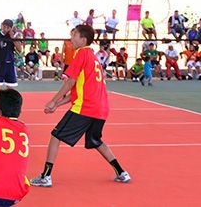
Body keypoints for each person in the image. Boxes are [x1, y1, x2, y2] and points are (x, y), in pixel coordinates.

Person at [30, 24, 130, 187]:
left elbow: (71, 81)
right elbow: (77, 92)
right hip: (100, 108)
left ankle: (45, 176)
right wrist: (57, 105)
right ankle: (121, 172)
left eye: (74, 35)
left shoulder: (81, 53)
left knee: (56, 136)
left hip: (86, 108)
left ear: (83, 39)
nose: (71, 38)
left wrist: (53, 100)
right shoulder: (93, 57)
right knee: (95, 140)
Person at [0, 19, 23, 115]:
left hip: (9, 65)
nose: (5, 28)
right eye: (4, 26)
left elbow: (20, 50)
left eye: (8, 27)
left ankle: (10, 110)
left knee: (11, 91)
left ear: (11, 28)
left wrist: (13, 38)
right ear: (1, 25)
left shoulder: (13, 36)